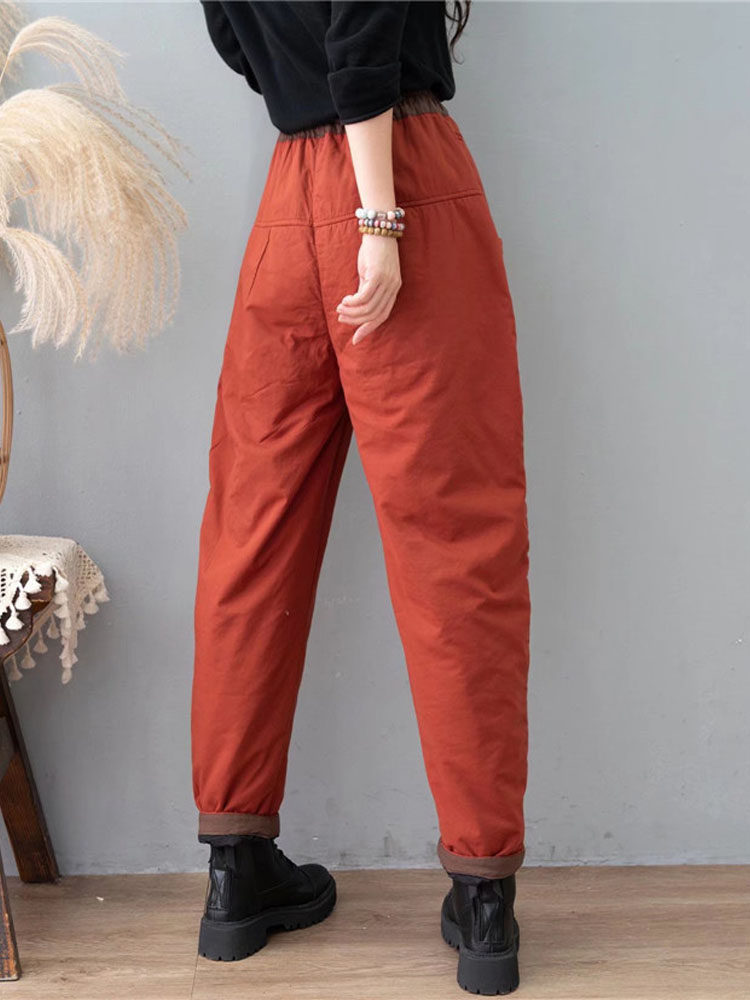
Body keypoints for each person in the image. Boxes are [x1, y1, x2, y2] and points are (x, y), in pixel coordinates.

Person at [192, 2, 530, 995]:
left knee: (251, 537)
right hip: (400, 185)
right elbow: (364, 31)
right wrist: (378, 217)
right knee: (456, 543)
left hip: (286, 199)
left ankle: (235, 872)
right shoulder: (388, 191)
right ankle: (483, 897)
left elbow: (235, 38)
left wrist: (308, 101)